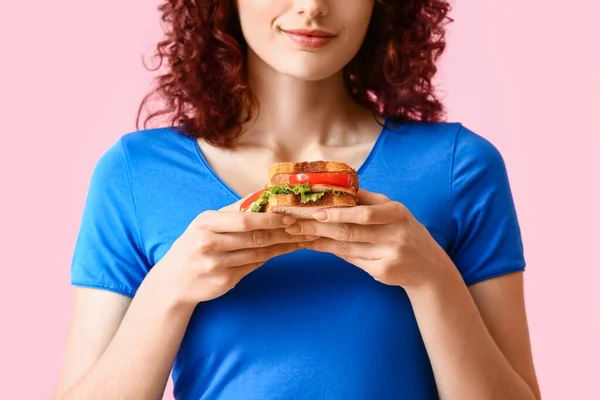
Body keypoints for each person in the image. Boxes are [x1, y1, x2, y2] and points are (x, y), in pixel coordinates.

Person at [54, 1, 541, 399]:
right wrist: (169, 290)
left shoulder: (460, 167)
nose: (312, 7)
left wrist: (433, 278)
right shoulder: (135, 174)